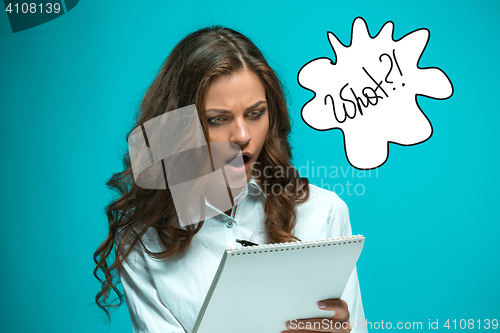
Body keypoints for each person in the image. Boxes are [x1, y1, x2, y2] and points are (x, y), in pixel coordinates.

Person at [94, 25, 367, 333]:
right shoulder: (144, 240)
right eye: (218, 119)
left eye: (255, 114)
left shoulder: (324, 212)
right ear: (180, 128)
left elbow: (353, 327)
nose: (241, 136)